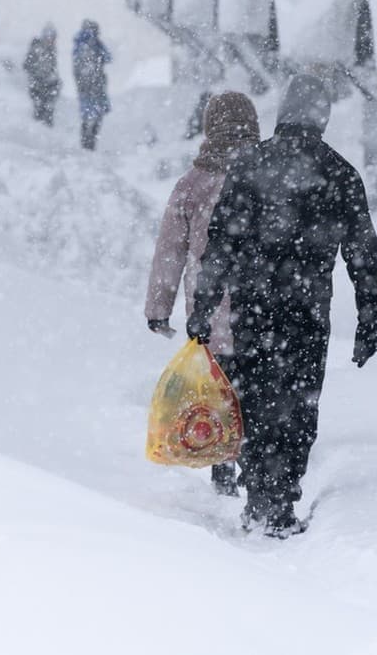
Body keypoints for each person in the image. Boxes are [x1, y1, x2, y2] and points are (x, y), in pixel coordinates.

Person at [189, 74, 377, 537]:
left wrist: (203, 308)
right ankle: (281, 499)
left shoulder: (248, 165)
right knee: (297, 405)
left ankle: (257, 490)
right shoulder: (339, 173)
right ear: (322, 116)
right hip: (307, 312)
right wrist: (368, 318)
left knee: (253, 398)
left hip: (252, 309)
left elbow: (220, 247)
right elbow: (362, 254)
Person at [144, 91, 261, 497]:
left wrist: (159, 307)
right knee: (254, 394)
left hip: (209, 312)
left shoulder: (193, 184)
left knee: (215, 395)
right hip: (260, 310)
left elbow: (170, 250)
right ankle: (255, 468)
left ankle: (221, 467)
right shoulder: (267, 175)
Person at [72, 20, 112, 150]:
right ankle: (89, 143)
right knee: (94, 115)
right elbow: (108, 57)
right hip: (93, 86)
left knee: (88, 115)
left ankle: (87, 143)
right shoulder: (90, 46)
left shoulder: (81, 46)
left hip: (87, 87)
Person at [23, 24, 61, 126]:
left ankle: (45, 135)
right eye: (49, 36)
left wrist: (55, 82)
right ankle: (37, 134)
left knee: (48, 112)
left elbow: (52, 68)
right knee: (40, 111)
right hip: (38, 86)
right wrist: (38, 76)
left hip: (48, 86)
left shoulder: (52, 50)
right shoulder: (37, 49)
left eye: (53, 37)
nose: (51, 40)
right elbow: (27, 65)